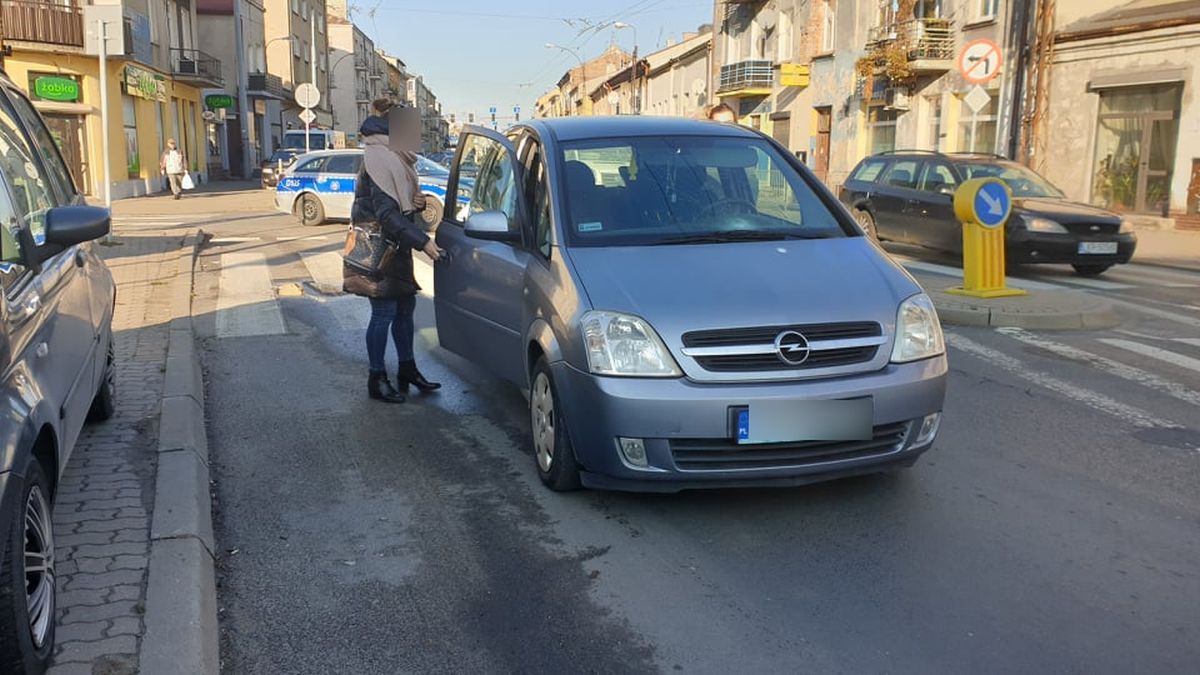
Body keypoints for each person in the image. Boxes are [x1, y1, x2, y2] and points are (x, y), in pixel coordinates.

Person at [344, 113, 443, 403]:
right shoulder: (379, 159)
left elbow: (403, 205)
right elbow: (386, 214)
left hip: (395, 247)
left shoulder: (398, 158)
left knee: (404, 310)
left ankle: (407, 369)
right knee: (384, 313)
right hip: (377, 248)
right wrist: (424, 243)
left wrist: (419, 202)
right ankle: (376, 377)